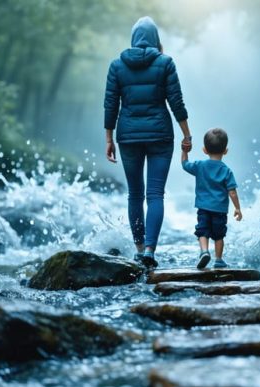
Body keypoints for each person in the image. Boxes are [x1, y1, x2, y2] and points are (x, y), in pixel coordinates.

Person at [104, 16, 193, 267]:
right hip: (160, 136)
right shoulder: (165, 63)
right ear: (155, 39)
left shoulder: (117, 66)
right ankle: (150, 251)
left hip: (128, 136)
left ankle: (139, 248)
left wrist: (108, 138)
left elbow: (111, 104)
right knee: (155, 195)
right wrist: (187, 133)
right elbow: (176, 101)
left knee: (135, 194)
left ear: (133, 38)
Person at [182, 128, 242, 269]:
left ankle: (204, 252)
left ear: (204, 150)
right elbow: (232, 192)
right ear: (225, 151)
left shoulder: (199, 166)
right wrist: (237, 208)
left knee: (202, 230)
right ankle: (219, 260)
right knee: (219, 235)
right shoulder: (226, 170)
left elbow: (185, 165)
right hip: (220, 210)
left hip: (203, 208)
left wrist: (184, 151)